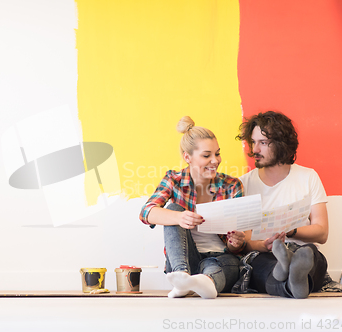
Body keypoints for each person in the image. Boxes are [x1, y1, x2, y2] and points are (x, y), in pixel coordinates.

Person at [139, 116, 246, 299]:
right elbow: (146, 212)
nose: (215, 160)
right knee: (173, 208)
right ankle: (182, 277)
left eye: (217, 153)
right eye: (206, 155)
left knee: (218, 268)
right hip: (185, 259)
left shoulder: (232, 185)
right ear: (187, 157)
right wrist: (179, 218)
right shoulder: (174, 180)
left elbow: (237, 245)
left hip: (220, 258)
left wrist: (236, 242)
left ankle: (206, 283)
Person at [236, 111, 329, 299]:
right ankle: (291, 277)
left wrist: (291, 231)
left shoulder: (308, 176)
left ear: (281, 144)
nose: (255, 149)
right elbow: (244, 243)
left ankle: (292, 271)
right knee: (266, 267)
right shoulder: (243, 184)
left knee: (311, 255)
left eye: (263, 142)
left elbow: (322, 233)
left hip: (299, 249)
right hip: (263, 254)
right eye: (253, 142)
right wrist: (264, 244)